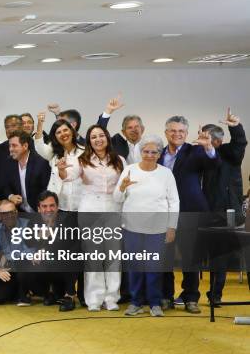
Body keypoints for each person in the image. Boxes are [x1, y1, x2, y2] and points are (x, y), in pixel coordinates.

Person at [61, 125, 126, 311]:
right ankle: (94, 299)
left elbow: (125, 185)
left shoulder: (119, 160)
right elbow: (68, 176)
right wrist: (62, 171)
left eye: (101, 135)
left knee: (113, 256)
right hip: (90, 209)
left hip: (113, 209)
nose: (98, 139)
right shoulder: (81, 160)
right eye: (93, 137)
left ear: (107, 137)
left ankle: (112, 298)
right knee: (93, 256)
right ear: (89, 141)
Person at [113, 134, 180, 317]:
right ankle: (135, 302)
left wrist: (171, 227)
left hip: (157, 229)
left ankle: (155, 303)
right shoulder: (129, 170)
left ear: (159, 154)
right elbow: (116, 199)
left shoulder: (166, 173)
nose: (149, 155)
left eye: (154, 152)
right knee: (134, 266)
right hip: (131, 228)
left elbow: (174, 202)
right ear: (140, 152)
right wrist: (122, 187)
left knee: (153, 267)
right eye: (146, 151)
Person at [159, 115, 219, 314]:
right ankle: (166, 296)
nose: (177, 134)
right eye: (173, 131)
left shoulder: (195, 151)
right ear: (166, 132)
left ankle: (191, 297)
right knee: (165, 257)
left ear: (186, 134)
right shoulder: (157, 154)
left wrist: (209, 148)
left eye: (181, 131)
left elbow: (212, 165)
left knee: (190, 257)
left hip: (190, 210)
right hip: (164, 213)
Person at [202, 109, 247, 305]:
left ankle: (215, 295)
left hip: (225, 212)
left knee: (220, 256)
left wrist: (236, 127)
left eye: (206, 137)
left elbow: (239, 144)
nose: (202, 140)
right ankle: (190, 295)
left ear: (217, 141)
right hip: (201, 211)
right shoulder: (197, 154)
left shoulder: (229, 154)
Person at [0, 200, 40, 305]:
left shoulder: (28, 225)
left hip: (26, 266)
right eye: (4, 214)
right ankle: (17, 292)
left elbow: (32, 250)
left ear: (16, 212)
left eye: (11, 212)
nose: (9, 216)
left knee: (23, 262)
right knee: (0, 298)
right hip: (8, 268)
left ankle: (24, 294)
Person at [36, 191, 79, 311]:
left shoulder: (67, 220)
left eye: (52, 205)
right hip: (48, 262)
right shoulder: (33, 222)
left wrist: (46, 246)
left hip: (68, 258)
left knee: (71, 253)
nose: (48, 209)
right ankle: (52, 292)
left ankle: (69, 295)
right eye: (44, 206)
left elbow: (66, 243)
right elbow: (30, 243)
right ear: (39, 208)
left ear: (57, 206)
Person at [2, 130, 51, 213]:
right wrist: (10, 196)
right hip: (19, 212)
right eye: (9, 146)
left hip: (39, 212)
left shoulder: (41, 163)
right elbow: (4, 185)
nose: (10, 149)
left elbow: (46, 190)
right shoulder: (8, 162)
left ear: (25, 146)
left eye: (14, 146)